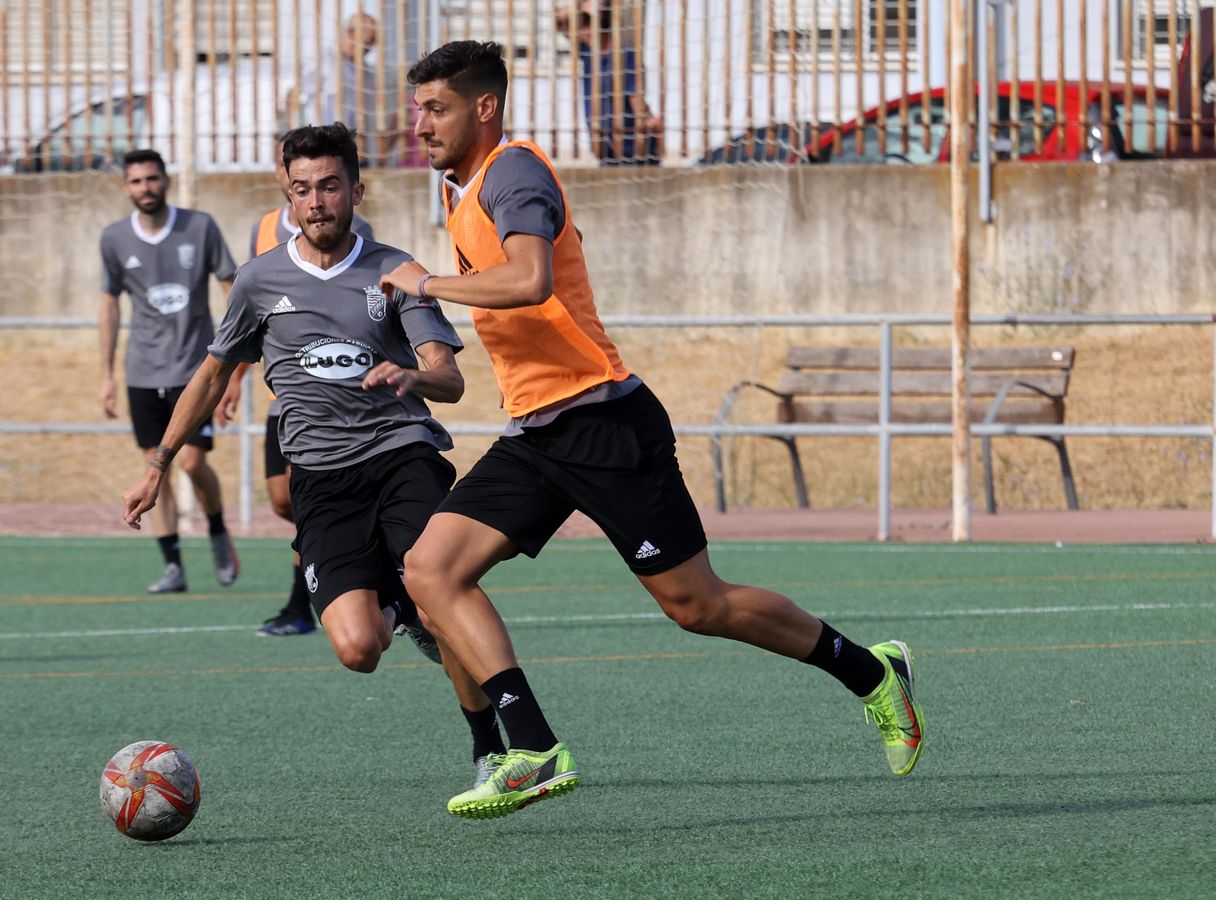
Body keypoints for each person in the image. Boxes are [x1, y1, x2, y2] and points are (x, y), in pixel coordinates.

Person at [388, 41, 925, 819]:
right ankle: (533, 750)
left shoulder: (514, 171)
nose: (421, 123)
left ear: (485, 108)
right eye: (417, 108)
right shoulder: (460, 185)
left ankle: (872, 674)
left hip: (604, 421)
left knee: (698, 606)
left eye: (435, 108)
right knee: (429, 569)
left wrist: (425, 283)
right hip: (539, 434)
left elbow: (530, 277)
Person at [122, 123, 507, 784]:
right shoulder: (259, 280)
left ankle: (490, 748)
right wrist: (158, 464)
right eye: (302, 189)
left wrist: (413, 375)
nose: (317, 201)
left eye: (330, 186)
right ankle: (397, 603)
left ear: (356, 188)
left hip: (402, 455)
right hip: (322, 480)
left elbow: (450, 377)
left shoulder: (394, 269)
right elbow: (213, 373)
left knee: (441, 593)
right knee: (359, 649)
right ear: (287, 195)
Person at [236, 137, 378, 638]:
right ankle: (347, 558)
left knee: (305, 493)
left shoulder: (352, 229)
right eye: (292, 175)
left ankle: (304, 603)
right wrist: (234, 379)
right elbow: (249, 317)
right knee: (281, 499)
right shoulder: (261, 232)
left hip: (333, 398)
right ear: (283, 176)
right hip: (283, 394)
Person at [99, 148, 242, 594]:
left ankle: (217, 531)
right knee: (150, 467)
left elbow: (233, 288)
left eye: (153, 179)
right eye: (137, 181)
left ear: (166, 181)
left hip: (193, 370)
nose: (146, 188)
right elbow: (110, 304)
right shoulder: (115, 239)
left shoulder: (199, 228)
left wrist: (236, 361)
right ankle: (173, 565)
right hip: (143, 371)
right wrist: (105, 372)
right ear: (126, 187)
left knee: (194, 462)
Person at [555, 0, 663, 165]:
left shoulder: (624, 55)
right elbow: (559, 19)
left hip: (632, 149)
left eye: (585, 22)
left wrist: (649, 121)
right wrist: (583, 6)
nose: (579, 29)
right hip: (606, 148)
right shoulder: (588, 53)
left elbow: (636, 99)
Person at [284, 10, 396, 165]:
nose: (371, 46)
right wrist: (292, 138)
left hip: (358, 156)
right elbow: (294, 95)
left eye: (373, 41)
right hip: (324, 151)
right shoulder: (325, 60)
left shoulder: (368, 73)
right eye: (368, 40)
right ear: (351, 33)